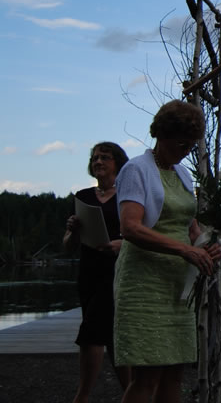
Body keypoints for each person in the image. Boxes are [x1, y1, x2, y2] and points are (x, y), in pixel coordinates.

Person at [113, 99, 221, 403]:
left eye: (191, 143)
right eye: (181, 142)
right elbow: (130, 227)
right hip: (144, 282)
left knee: (175, 369)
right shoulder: (136, 169)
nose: (186, 149)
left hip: (177, 285)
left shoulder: (183, 174)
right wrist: (184, 251)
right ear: (160, 134)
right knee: (147, 373)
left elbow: (189, 226)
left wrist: (205, 246)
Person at [63, 142, 131, 402]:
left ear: (117, 163)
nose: (98, 161)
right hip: (89, 273)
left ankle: (81, 396)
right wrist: (73, 231)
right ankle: (131, 393)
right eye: (94, 158)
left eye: (104, 157)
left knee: (91, 332)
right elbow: (68, 244)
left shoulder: (126, 195)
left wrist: (121, 245)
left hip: (117, 272)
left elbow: (138, 233)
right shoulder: (83, 197)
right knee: (113, 338)